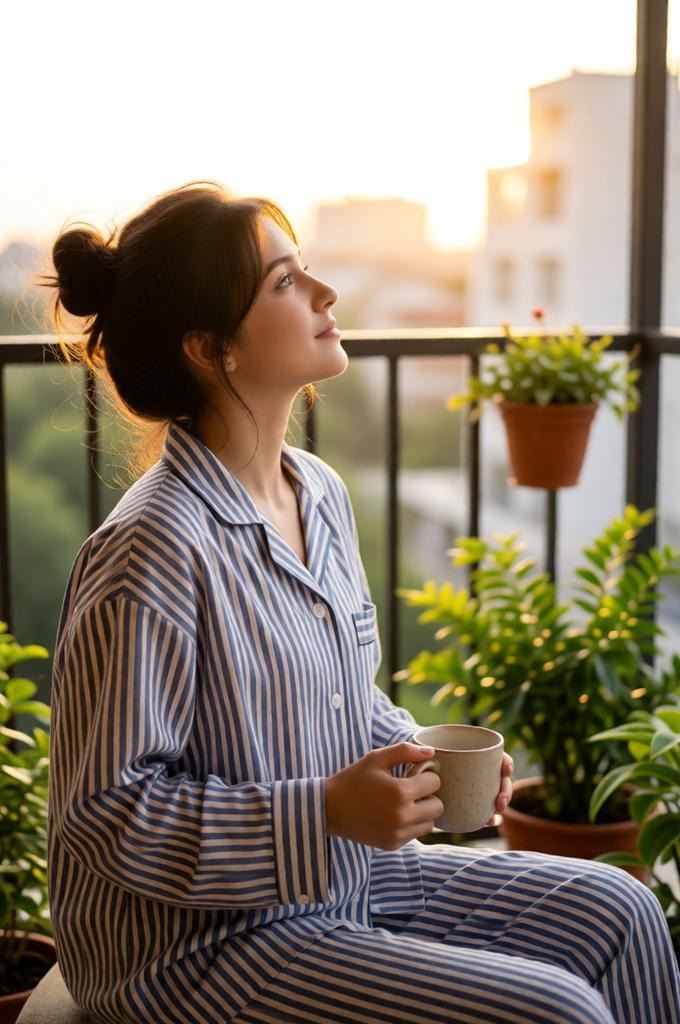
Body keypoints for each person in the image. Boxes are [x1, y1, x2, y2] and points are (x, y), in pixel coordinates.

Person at [46, 181, 679, 1024]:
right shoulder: (150, 551)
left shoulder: (319, 493)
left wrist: (415, 757)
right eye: (283, 283)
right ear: (210, 348)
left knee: (624, 911)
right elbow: (106, 817)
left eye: (303, 269)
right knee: (557, 1010)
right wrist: (324, 813)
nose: (325, 293)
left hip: (342, 878)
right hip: (197, 951)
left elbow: (337, 698)